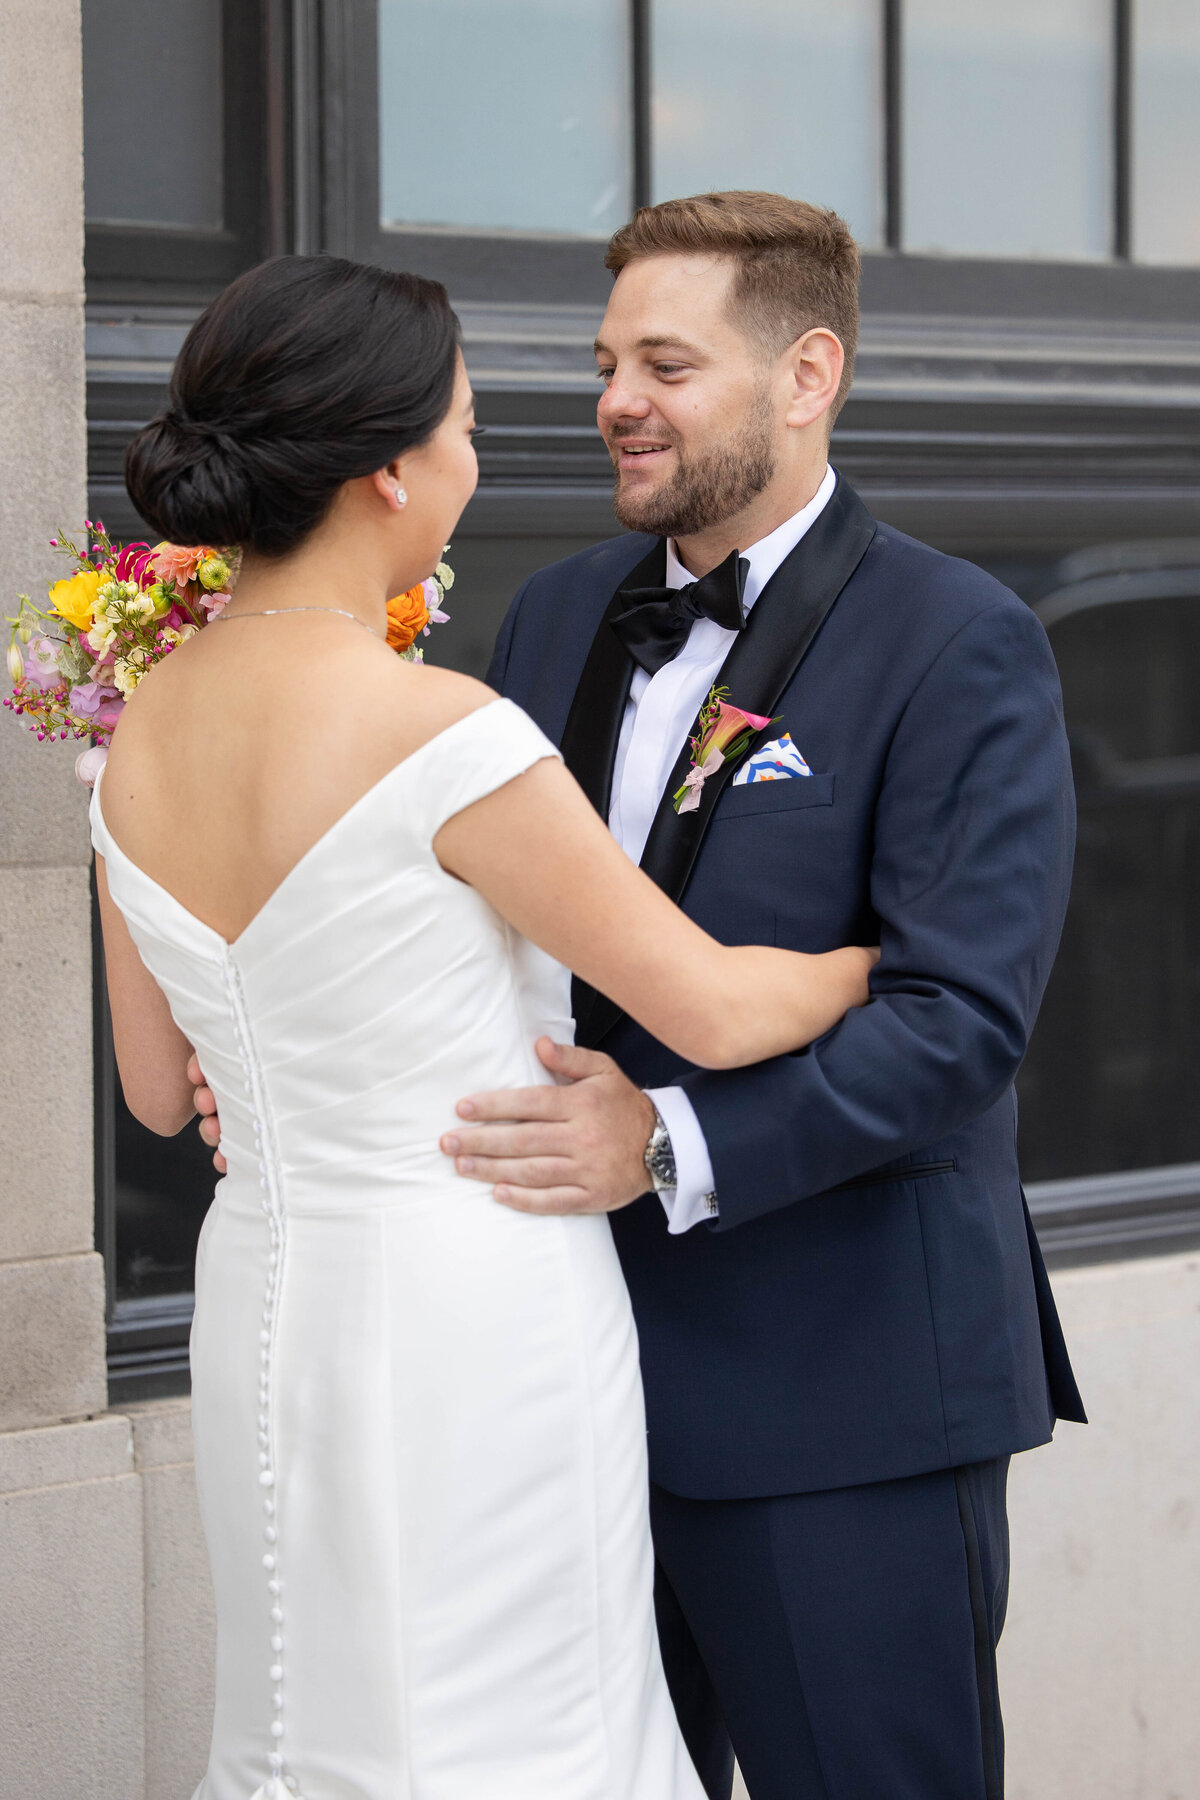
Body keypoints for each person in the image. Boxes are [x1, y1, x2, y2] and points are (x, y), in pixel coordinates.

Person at [92, 253, 876, 1800]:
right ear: (386, 470)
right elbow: (711, 1010)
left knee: (311, 1708)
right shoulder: (444, 732)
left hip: (265, 1296)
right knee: (523, 1726)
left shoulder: (140, 726)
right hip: (473, 1293)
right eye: (461, 429)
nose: (475, 461)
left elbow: (155, 1093)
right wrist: (871, 963)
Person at [437, 192, 1088, 1800]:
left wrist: (657, 1144)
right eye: (604, 363)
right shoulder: (551, 612)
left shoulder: (964, 642)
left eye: (665, 362)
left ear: (809, 375)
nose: (615, 402)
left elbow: (958, 1025)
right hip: (563, 1385)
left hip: (842, 1398)